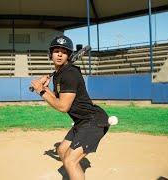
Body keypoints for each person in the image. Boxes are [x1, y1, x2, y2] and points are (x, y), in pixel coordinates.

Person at [31, 35, 110, 180]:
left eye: (64, 51)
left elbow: (63, 106)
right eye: (56, 51)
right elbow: (56, 99)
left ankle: (74, 171)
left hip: (93, 121)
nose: (60, 54)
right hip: (82, 121)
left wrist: (41, 91)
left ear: (69, 55)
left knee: (70, 160)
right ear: (50, 54)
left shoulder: (69, 74)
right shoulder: (59, 75)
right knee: (62, 150)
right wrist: (43, 87)